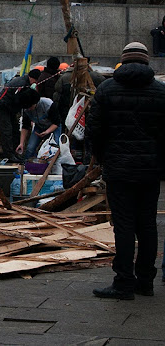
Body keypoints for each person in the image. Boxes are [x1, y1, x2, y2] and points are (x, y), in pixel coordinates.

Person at [87, 42, 165, 300]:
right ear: (146, 63)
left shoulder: (106, 90)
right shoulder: (160, 92)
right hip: (150, 170)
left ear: (123, 61)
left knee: (124, 226)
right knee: (147, 225)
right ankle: (145, 281)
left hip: (118, 169)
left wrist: (101, 157)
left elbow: (94, 130)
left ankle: (123, 282)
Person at [0, 68, 40, 161]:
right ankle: (9, 154)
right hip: (3, 107)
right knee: (7, 131)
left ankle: (15, 152)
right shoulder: (21, 84)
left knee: (15, 130)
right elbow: (17, 99)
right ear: (31, 78)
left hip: (10, 108)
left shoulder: (25, 83)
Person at [53, 57, 104, 131]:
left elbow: (57, 95)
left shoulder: (65, 77)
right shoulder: (96, 76)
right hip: (76, 110)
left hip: (74, 111)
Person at [15, 88, 61, 160]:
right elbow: (25, 126)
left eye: (30, 106)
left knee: (54, 147)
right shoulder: (26, 109)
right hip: (39, 127)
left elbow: (56, 123)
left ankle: (52, 165)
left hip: (53, 127)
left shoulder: (48, 104)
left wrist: (47, 132)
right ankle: (27, 165)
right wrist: (21, 143)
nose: (29, 109)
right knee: (30, 148)